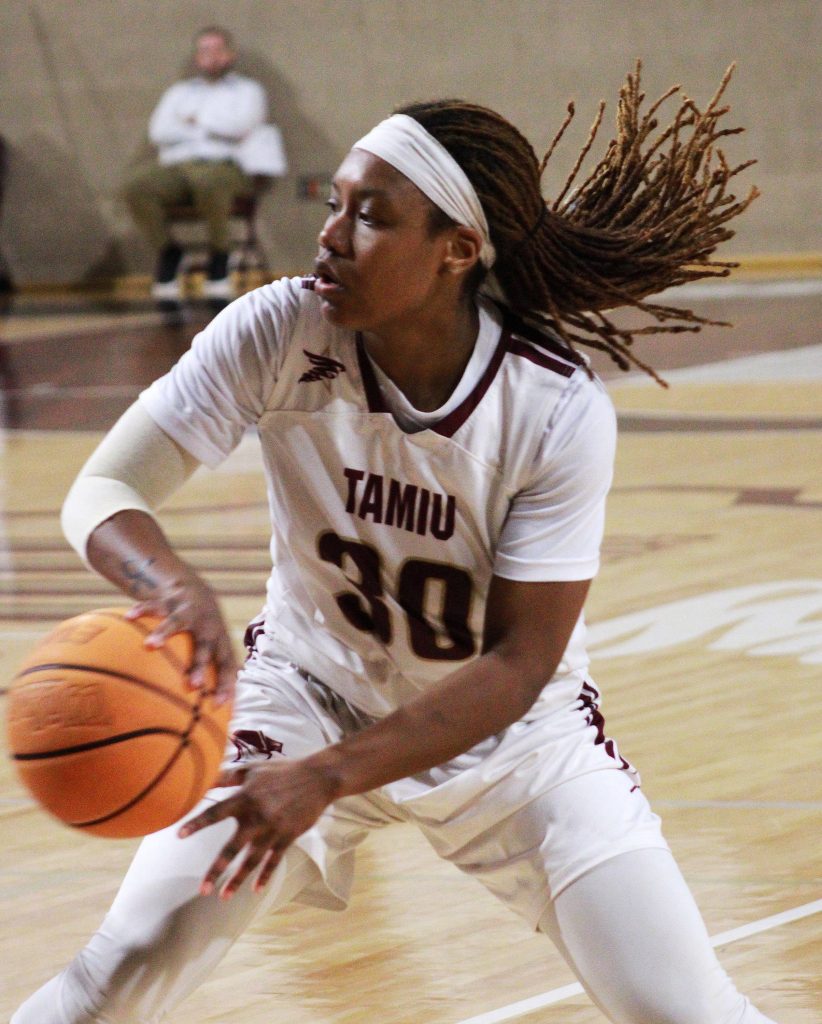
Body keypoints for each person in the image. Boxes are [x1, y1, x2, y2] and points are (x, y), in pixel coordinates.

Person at [14, 64, 772, 1024]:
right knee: (121, 968)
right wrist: (170, 585)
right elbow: (105, 489)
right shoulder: (279, 329)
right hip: (304, 695)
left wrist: (328, 780)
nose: (328, 235)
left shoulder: (551, 406)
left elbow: (521, 661)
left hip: (508, 742)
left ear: (457, 249)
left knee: (688, 1010)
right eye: (333, 205)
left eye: (368, 216)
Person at [123, 25, 284, 303]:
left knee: (209, 182)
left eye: (217, 50)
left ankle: (220, 256)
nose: (211, 56)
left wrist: (194, 121)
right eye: (205, 50)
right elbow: (160, 131)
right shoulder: (180, 92)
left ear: (229, 55)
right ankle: (169, 251)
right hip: (178, 166)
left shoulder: (247, 90)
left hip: (226, 165)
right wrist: (208, 129)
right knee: (136, 186)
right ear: (197, 57)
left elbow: (241, 126)